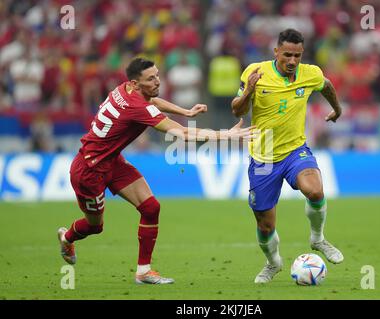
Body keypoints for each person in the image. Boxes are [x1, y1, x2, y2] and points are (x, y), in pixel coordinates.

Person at [57, 58, 255, 285]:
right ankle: (67, 237)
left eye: (157, 75)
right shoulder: (136, 106)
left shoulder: (126, 90)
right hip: (89, 170)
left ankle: (143, 271)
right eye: (151, 79)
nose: (157, 81)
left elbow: (153, 101)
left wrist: (186, 112)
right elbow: (183, 134)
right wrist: (226, 136)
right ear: (135, 83)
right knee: (95, 226)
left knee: (151, 207)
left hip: (112, 162)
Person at [231, 28, 344, 284]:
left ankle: (317, 238)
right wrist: (248, 90)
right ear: (276, 52)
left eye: (297, 56)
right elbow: (236, 110)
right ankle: (273, 263)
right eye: (287, 55)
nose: (292, 61)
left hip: (296, 150)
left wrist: (336, 109)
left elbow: (326, 85)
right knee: (265, 225)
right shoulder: (255, 72)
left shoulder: (309, 73)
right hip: (263, 156)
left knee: (315, 191)